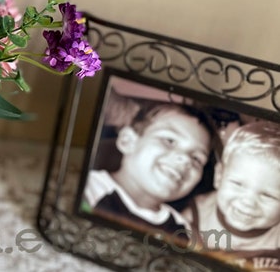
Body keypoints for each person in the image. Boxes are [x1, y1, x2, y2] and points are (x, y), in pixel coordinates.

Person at [81, 100, 214, 242]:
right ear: (128, 141)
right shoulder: (86, 189)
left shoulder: (185, 233)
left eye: (197, 159)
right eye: (169, 141)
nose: (185, 159)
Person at [184, 120, 280, 270]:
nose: (248, 202)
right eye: (237, 184)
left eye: (268, 195)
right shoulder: (194, 216)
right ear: (219, 176)